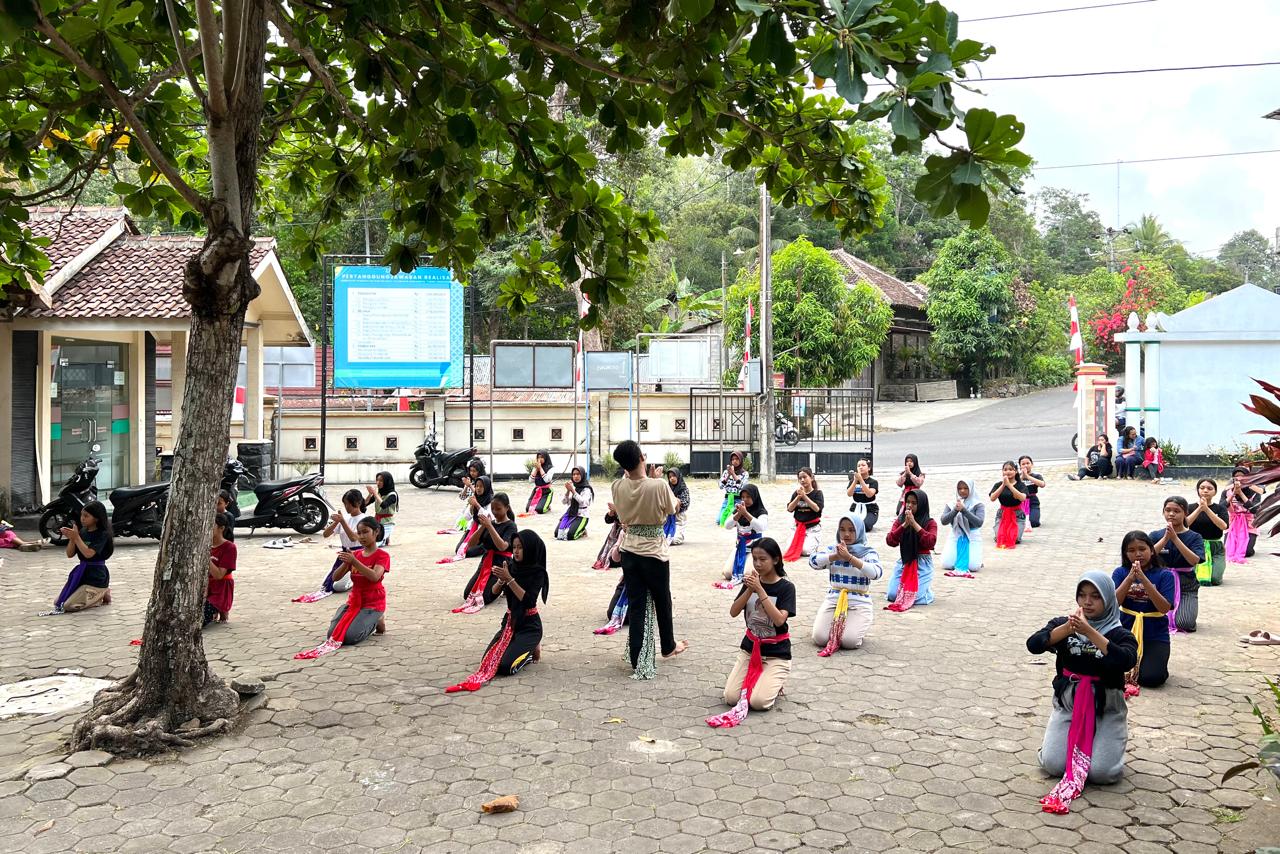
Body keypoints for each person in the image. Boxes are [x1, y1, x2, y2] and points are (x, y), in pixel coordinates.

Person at [1026, 570, 1137, 814]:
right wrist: (1067, 629)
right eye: (1082, 596)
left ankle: (1106, 740)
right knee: (1053, 765)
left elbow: (1126, 660)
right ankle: (1064, 739)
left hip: (1106, 709)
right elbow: (1033, 645)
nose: (1087, 602)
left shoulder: (1120, 633)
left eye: (1095, 597)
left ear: (1108, 599)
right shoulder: (1064, 625)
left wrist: (1090, 633)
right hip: (1070, 704)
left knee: (1103, 773)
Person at [611, 440, 688, 679]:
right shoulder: (659, 485)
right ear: (642, 457)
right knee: (662, 600)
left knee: (637, 604)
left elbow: (627, 502)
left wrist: (652, 480)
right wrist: (657, 482)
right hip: (653, 552)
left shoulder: (617, 486)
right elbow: (673, 508)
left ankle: (637, 655)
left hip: (629, 551)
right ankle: (668, 645)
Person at [707, 538, 796, 728]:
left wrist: (760, 590)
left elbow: (779, 620)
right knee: (731, 698)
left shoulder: (786, 588)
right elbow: (733, 612)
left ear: (776, 560)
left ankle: (776, 679)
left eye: (762, 559)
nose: (757, 564)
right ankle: (763, 680)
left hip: (776, 654)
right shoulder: (750, 583)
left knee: (759, 702)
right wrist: (749, 589)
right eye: (754, 559)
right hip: (750, 649)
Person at [446, 530, 549, 692]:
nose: (515, 551)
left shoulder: (538, 573)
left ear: (529, 549)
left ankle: (530, 651)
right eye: (514, 547)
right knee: (487, 660)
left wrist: (510, 579)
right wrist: (501, 581)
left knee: (506, 667)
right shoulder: (511, 567)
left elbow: (528, 600)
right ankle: (523, 647)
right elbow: (493, 592)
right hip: (509, 623)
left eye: (520, 547)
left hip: (529, 626)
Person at [294, 518, 389, 659]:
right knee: (332, 635)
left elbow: (374, 577)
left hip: (372, 603)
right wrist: (346, 563)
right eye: (359, 533)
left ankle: (377, 619)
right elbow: (335, 578)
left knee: (350, 638)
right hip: (354, 601)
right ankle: (365, 618)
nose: (361, 536)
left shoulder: (382, 555)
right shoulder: (355, 555)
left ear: (376, 532)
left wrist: (354, 562)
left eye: (365, 532)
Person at [809, 513, 883, 655]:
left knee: (849, 642)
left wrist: (849, 558)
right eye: (842, 529)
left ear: (859, 531)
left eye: (851, 530)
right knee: (820, 638)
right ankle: (839, 625)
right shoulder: (833, 550)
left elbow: (876, 573)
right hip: (834, 600)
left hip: (859, 603)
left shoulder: (868, 552)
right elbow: (813, 562)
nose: (846, 534)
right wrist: (835, 556)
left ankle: (856, 627)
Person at [1112, 531, 1174, 693]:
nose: (1137, 554)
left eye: (1142, 549)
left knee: (1152, 678)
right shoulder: (1120, 573)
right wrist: (1130, 579)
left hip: (1155, 633)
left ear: (1152, 550)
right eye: (1131, 550)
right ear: (1125, 554)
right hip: (1125, 631)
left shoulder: (1165, 575)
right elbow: (1113, 604)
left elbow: (1164, 608)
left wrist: (1144, 580)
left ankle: (1153, 664)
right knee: (1111, 671)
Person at [294, 489, 366, 603]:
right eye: (345, 504)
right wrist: (336, 522)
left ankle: (355, 579)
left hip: (358, 556)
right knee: (328, 582)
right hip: (344, 555)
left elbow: (353, 537)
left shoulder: (364, 520)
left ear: (357, 503)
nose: (346, 507)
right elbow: (325, 534)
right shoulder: (345, 519)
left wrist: (342, 521)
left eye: (348, 504)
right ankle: (352, 578)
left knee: (339, 587)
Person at [43, 501, 114, 615]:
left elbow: (88, 554)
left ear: (96, 518)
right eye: (82, 515)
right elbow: (70, 554)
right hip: (82, 574)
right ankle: (97, 594)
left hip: (96, 577)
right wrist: (72, 538)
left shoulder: (102, 534)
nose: (82, 518)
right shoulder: (82, 532)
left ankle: (101, 593)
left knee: (69, 606)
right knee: (58, 602)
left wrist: (76, 537)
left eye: (86, 516)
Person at [456, 493, 518, 614]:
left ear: (507, 508)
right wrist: (483, 527)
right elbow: (471, 544)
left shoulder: (511, 526)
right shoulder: (491, 523)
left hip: (500, 565)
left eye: (498, 509)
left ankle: (504, 582)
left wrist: (490, 527)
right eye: (493, 509)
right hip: (486, 562)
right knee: (468, 594)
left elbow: (502, 546)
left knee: (485, 597)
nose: (495, 512)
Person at [1152, 496, 1206, 634]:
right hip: (1160, 585)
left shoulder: (1195, 537)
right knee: (1152, 619)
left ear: (1185, 513)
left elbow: (1195, 560)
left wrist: (1175, 539)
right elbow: (1147, 557)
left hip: (1186, 585)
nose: (1171, 514)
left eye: (1176, 511)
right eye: (1167, 510)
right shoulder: (1155, 535)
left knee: (1184, 623)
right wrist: (1165, 539)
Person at [885, 491, 936, 611]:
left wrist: (914, 524)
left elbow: (930, 542)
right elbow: (890, 541)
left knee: (913, 597)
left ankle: (927, 592)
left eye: (914, 503)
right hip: (905, 560)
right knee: (893, 595)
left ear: (921, 504)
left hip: (922, 563)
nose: (909, 505)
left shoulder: (930, 522)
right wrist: (904, 526)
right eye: (907, 502)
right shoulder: (900, 520)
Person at [718, 484, 768, 588]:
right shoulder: (738, 510)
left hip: (755, 549)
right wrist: (738, 515)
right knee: (727, 573)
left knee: (747, 575)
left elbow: (761, 527)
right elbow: (727, 526)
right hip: (740, 547)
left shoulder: (761, 512)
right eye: (743, 497)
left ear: (755, 496)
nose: (745, 499)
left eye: (748, 497)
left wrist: (746, 514)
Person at [439, 475, 494, 564]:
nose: (478, 489)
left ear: (486, 487)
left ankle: (486, 547)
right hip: (473, 528)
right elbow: (466, 517)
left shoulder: (491, 501)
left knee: (469, 552)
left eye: (481, 486)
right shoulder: (475, 498)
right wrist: (472, 507)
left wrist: (477, 505)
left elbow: (488, 517)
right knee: (459, 549)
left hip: (484, 531)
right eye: (476, 486)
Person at [940, 479, 985, 577]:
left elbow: (979, 523)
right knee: (946, 564)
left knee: (973, 566)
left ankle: (977, 558)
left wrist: (964, 510)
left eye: (965, 488)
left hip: (972, 534)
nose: (962, 491)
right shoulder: (951, 503)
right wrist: (955, 510)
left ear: (971, 489)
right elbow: (943, 521)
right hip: (956, 533)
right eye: (959, 488)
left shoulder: (978, 504)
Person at [1188, 478, 1229, 586]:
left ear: (1215, 492)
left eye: (1209, 488)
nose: (1205, 490)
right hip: (1194, 547)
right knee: (1191, 577)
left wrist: (1207, 509)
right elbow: (1184, 524)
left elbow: (1224, 526)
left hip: (1215, 547)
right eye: (1202, 488)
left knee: (1215, 579)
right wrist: (1199, 509)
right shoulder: (1190, 507)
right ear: (1198, 490)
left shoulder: (1220, 509)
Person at [783, 467, 824, 562]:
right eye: (800, 478)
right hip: (798, 527)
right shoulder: (796, 493)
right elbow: (789, 509)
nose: (802, 480)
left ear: (811, 478)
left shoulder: (817, 493)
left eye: (805, 477)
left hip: (812, 528)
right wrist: (798, 497)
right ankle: (803, 542)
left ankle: (814, 543)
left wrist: (804, 496)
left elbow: (817, 508)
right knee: (788, 549)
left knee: (805, 551)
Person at [1223, 466, 1263, 563]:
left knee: (1247, 552)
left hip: (1249, 523)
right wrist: (1233, 494)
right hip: (1233, 523)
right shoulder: (1228, 491)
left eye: (1242, 477)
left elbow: (1254, 510)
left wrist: (1241, 493)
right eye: (1236, 477)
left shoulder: (1255, 492)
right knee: (1227, 549)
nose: (1239, 480)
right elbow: (1222, 507)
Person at [439, 458, 486, 535]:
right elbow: (462, 497)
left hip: (479, 508)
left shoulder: (483, 481)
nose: (472, 473)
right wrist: (467, 486)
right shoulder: (469, 480)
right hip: (469, 509)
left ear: (479, 471)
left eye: (474, 471)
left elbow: (480, 495)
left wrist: (470, 485)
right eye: (471, 471)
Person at [206, 512, 237, 626]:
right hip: (205, 589)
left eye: (211, 526)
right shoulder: (206, 545)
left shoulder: (229, 547)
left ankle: (220, 609)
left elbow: (219, 575)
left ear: (221, 528)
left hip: (220, 589)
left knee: (199, 620)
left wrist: (205, 557)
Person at [990, 461, 1028, 549]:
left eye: (1011, 469)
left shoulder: (1020, 485)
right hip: (1002, 514)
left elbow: (1022, 498)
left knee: (1015, 539)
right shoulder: (998, 485)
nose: (1008, 472)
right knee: (999, 538)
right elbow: (992, 498)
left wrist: (1009, 486)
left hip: (1017, 515)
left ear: (1016, 472)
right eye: (1005, 470)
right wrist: (1003, 485)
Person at [555, 466, 594, 541]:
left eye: (578, 474)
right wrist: (568, 491)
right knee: (557, 534)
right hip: (570, 513)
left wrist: (572, 490)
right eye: (574, 474)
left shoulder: (587, 489)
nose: (575, 476)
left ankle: (582, 531)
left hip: (581, 516)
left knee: (570, 536)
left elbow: (583, 502)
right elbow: (564, 502)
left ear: (582, 475)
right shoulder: (574, 487)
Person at [362, 471, 399, 546]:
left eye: (381, 481)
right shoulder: (379, 493)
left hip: (387, 522)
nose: (378, 482)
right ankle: (386, 538)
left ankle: (385, 537)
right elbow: (364, 504)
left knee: (375, 544)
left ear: (387, 482)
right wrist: (370, 494)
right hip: (377, 522)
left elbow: (384, 505)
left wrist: (375, 493)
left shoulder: (392, 495)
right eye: (377, 480)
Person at [717, 451, 750, 526]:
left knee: (732, 521)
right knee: (719, 521)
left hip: (738, 500)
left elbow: (742, 487)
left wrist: (733, 474)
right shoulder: (726, 472)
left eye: (737, 459)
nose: (734, 461)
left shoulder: (745, 474)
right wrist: (728, 475)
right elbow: (721, 486)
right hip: (727, 500)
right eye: (733, 459)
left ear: (741, 460)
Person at [846, 459, 880, 532]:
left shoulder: (873, 482)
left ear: (869, 468)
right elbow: (849, 494)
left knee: (865, 526)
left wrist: (861, 481)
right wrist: (855, 481)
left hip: (870, 509)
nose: (861, 467)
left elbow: (869, 494)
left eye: (863, 465)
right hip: (856, 507)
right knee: (848, 525)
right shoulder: (853, 481)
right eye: (858, 466)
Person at [522, 451, 556, 516]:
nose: (540, 459)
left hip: (547, 491)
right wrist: (536, 469)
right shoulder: (535, 467)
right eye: (538, 457)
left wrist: (540, 468)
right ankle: (542, 504)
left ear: (546, 458)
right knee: (528, 509)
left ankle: (547, 506)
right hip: (537, 490)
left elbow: (547, 480)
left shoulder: (551, 468)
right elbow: (530, 480)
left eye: (542, 457)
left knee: (540, 510)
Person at [593, 502, 623, 571]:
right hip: (615, 532)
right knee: (600, 558)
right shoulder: (620, 499)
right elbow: (608, 520)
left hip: (626, 533)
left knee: (613, 561)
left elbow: (627, 520)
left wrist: (617, 510)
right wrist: (612, 512)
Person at [1019, 455, 1046, 529]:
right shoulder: (1017, 476)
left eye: (1028, 463)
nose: (1026, 466)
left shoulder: (1037, 476)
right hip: (1020, 501)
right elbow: (1013, 485)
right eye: (1023, 464)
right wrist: (1022, 476)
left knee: (1034, 523)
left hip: (1033, 501)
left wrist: (1028, 477)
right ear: (1020, 466)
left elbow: (1042, 484)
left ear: (1032, 464)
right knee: (1019, 522)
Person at [665, 468, 690, 546]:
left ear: (678, 476)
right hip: (668, 517)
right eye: (670, 477)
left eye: (674, 476)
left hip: (679, 516)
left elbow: (686, 503)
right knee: (663, 537)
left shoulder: (683, 488)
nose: (672, 478)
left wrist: (676, 501)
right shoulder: (668, 488)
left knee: (676, 539)